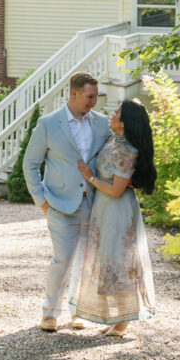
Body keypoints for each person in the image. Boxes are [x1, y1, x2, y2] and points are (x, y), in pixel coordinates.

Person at [23, 72, 110, 332]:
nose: (94, 101)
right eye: (89, 96)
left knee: (86, 262)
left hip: (94, 204)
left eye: (96, 96)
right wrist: (42, 201)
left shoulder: (103, 123)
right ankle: (49, 313)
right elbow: (30, 164)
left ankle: (77, 312)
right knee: (63, 259)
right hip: (59, 205)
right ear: (73, 94)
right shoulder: (48, 124)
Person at [68, 99, 157, 336]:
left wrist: (90, 177)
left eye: (116, 112)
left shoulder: (128, 150)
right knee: (105, 259)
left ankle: (123, 321)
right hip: (103, 208)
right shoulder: (112, 140)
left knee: (119, 261)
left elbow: (117, 190)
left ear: (126, 122)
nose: (112, 114)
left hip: (118, 210)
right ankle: (116, 318)